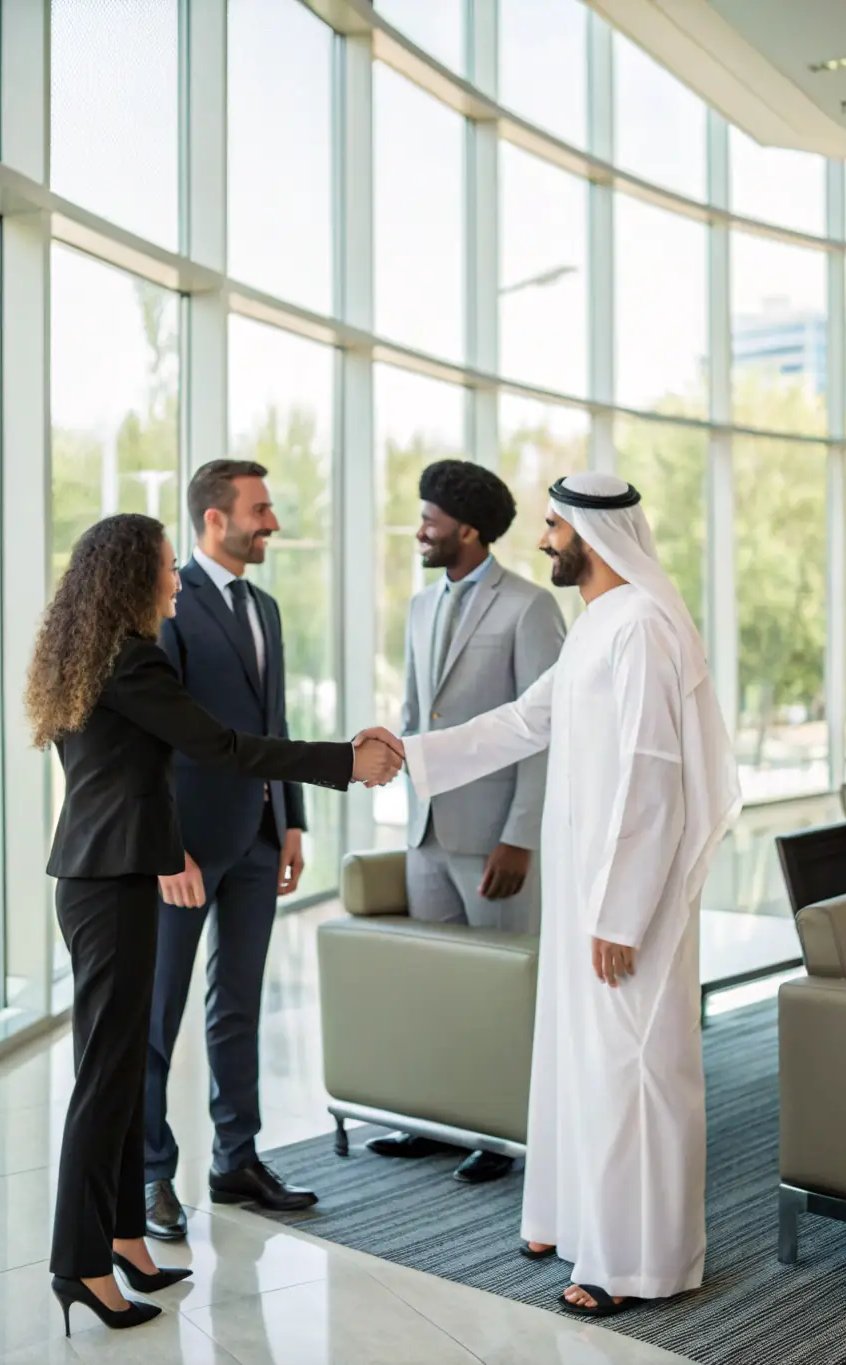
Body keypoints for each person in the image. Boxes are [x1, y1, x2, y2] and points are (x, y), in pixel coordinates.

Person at [28, 513, 399, 1335]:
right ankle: (79, 1263)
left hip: (103, 875)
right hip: (112, 882)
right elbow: (223, 747)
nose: (174, 581)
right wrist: (345, 761)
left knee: (121, 1066)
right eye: (166, 567)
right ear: (134, 577)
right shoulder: (133, 660)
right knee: (105, 1077)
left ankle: (124, 1236)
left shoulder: (89, 652)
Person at [397, 472, 741, 1316]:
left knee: (632, 1069)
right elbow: (525, 720)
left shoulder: (644, 626)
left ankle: (637, 1262)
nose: (543, 539)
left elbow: (652, 780)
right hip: (584, 887)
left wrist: (621, 913)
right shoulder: (597, 623)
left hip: (628, 901)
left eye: (553, 525)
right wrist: (410, 754)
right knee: (576, 1056)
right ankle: (567, 1218)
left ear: (593, 533)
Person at [143, 458, 332, 1239]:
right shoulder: (170, 603)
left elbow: (273, 724)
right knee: (158, 1013)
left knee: (240, 1004)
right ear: (215, 518)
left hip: (257, 836)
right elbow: (152, 741)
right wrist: (165, 850)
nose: (273, 523)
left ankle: (236, 1158)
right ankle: (151, 1173)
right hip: (185, 848)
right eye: (261, 509)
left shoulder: (265, 607)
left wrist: (291, 819)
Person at [367, 459, 566, 1186]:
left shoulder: (529, 608)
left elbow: (546, 730)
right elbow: (418, 713)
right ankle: (437, 1121)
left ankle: (503, 1131)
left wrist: (521, 835)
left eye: (431, 519)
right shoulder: (422, 606)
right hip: (427, 832)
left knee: (501, 994)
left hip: (494, 840)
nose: (420, 530)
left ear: (470, 530)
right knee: (440, 985)